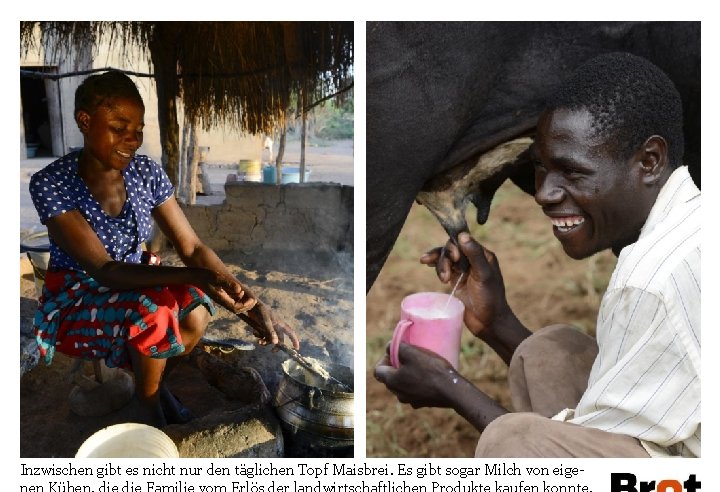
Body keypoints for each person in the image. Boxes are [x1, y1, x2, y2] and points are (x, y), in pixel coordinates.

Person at [375, 52, 700, 458]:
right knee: (550, 353)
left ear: (649, 162)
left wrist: (452, 388)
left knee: (512, 442)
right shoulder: (690, 223)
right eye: (542, 169)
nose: (544, 194)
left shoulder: (651, 281)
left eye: (573, 171)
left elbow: (585, 468)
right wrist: (496, 323)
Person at [30, 71, 299, 427]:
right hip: (79, 293)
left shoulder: (145, 173)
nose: (132, 139)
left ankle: (153, 385)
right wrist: (198, 276)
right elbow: (104, 270)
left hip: (137, 276)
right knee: (155, 311)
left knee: (196, 309)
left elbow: (193, 247)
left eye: (138, 129)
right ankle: (150, 411)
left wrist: (254, 308)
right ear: (85, 121)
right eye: (118, 126)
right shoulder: (52, 182)